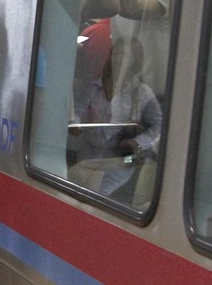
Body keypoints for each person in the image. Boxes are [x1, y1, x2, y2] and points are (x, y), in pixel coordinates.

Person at [68, 36, 163, 201]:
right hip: (88, 157)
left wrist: (138, 142)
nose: (119, 60)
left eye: (126, 56)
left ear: (135, 62)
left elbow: (159, 125)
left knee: (100, 200)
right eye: (117, 54)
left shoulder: (142, 92)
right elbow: (79, 110)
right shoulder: (94, 85)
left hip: (118, 161)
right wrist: (75, 123)